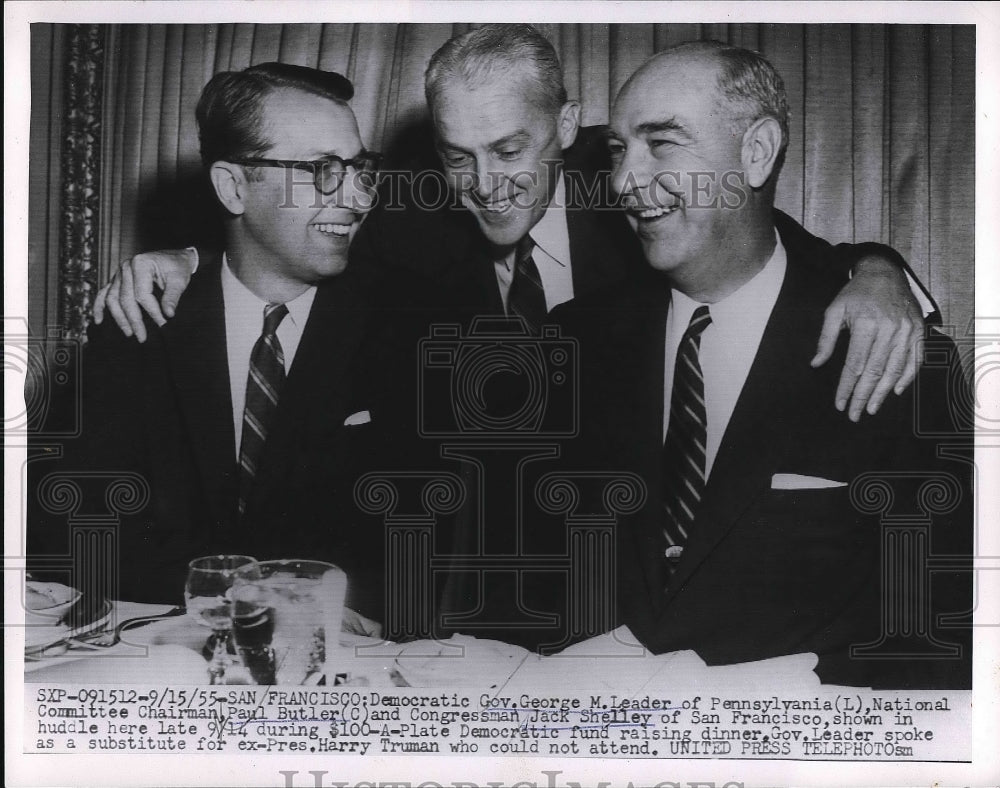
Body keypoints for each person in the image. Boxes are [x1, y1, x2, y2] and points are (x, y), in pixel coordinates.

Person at [90, 26, 934, 650]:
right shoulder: (402, 232)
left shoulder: (638, 215)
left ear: (567, 128)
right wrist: (185, 253)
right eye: (457, 158)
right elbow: (287, 236)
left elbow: (747, 221)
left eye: (509, 150)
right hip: (499, 600)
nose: (485, 187)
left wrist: (880, 270)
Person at [557, 41, 972, 687]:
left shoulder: (906, 362)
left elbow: (941, 636)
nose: (622, 182)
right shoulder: (570, 344)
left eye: (661, 143)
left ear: (756, 152)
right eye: (617, 150)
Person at [28, 63, 392, 630]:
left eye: (359, 169)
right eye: (321, 170)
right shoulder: (140, 323)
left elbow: (424, 540)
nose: (356, 197)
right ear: (233, 186)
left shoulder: (398, 328)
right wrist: (247, 600)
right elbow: (66, 533)